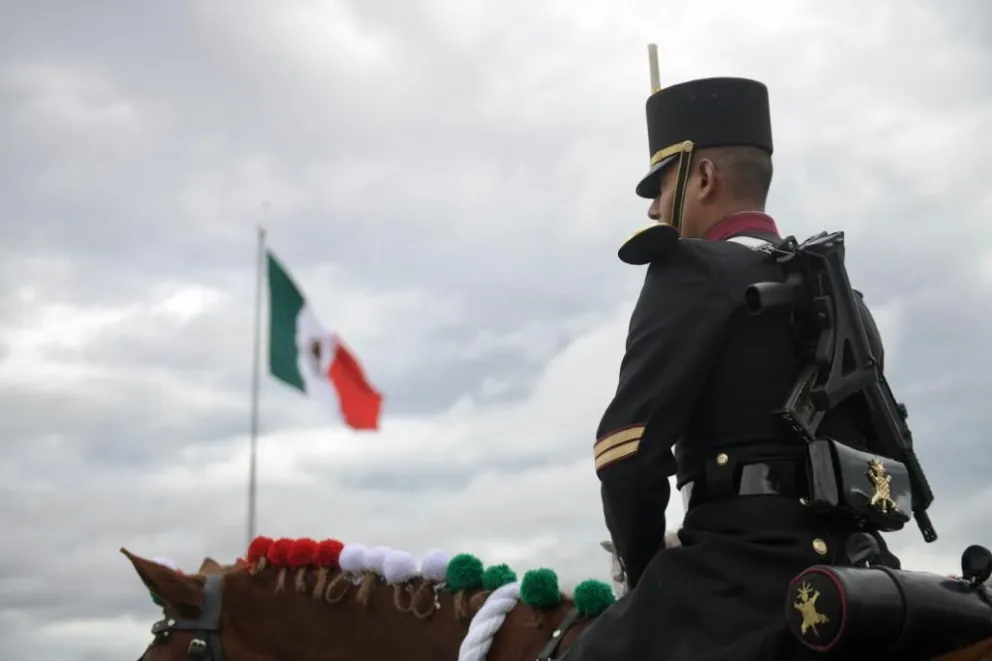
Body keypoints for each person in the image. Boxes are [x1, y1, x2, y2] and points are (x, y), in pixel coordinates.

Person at [565, 74, 906, 661]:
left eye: (661, 182)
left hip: (739, 581)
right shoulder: (848, 297)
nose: (650, 206)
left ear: (703, 177)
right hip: (866, 574)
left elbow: (626, 457)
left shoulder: (688, 270)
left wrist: (648, 578)